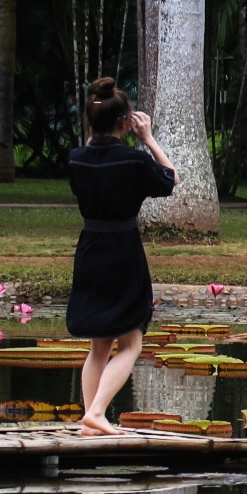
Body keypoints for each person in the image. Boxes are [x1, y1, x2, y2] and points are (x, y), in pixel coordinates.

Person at [68, 77, 178, 433]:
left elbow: (90, 150)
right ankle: (97, 412)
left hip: (89, 249)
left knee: (99, 344)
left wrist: (98, 131)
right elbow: (169, 179)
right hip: (122, 249)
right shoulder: (132, 160)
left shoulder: (77, 160)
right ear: (125, 121)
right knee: (131, 339)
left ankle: (90, 418)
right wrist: (146, 138)